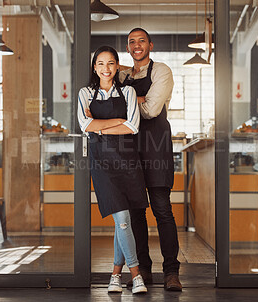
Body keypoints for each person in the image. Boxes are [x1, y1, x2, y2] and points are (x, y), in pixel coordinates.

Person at [78, 45, 148, 294]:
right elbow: (85, 125)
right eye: (100, 64)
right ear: (94, 67)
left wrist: (100, 127)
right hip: (102, 164)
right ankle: (136, 275)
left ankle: (115, 276)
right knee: (122, 220)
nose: (105, 69)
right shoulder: (85, 93)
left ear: (117, 66)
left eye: (110, 63)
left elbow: (133, 127)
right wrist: (116, 122)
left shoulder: (128, 91)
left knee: (123, 222)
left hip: (128, 162)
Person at [120, 28, 182, 291]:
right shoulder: (123, 75)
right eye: (132, 42)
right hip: (128, 149)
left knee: (162, 210)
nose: (137, 45)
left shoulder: (162, 71)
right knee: (136, 213)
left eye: (141, 41)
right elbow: (107, 99)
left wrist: (126, 103)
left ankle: (171, 272)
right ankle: (143, 270)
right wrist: (137, 98)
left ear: (150, 45)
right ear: (128, 47)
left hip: (156, 150)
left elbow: (152, 110)